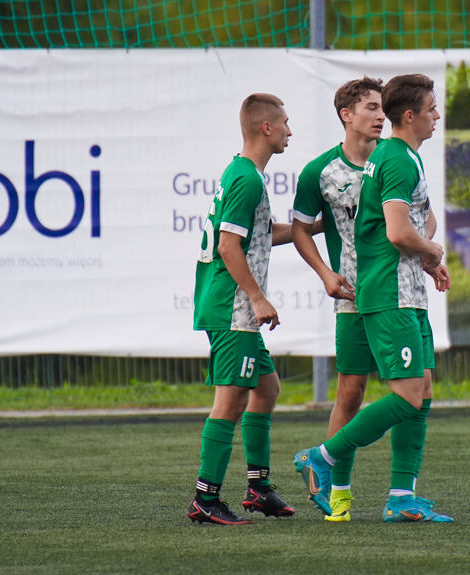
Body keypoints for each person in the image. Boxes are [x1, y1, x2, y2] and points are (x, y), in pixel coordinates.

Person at [293, 73, 453, 523]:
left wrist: (426, 255)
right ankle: (325, 463)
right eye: (432, 108)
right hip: (381, 291)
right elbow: (398, 231)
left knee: (420, 390)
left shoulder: (389, 158)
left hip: (403, 287)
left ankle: (402, 496)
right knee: (388, 393)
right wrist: (432, 249)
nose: (437, 115)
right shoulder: (384, 162)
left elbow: (415, 223)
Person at [186, 93, 298, 525]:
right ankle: (205, 498)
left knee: (266, 390)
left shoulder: (243, 172)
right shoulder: (248, 179)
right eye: (285, 123)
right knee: (231, 401)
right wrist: (256, 296)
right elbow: (228, 246)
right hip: (233, 308)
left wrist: (318, 224)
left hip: (234, 308)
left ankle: (258, 487)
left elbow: (256, 236)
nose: (290, 130)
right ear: (266, 128)